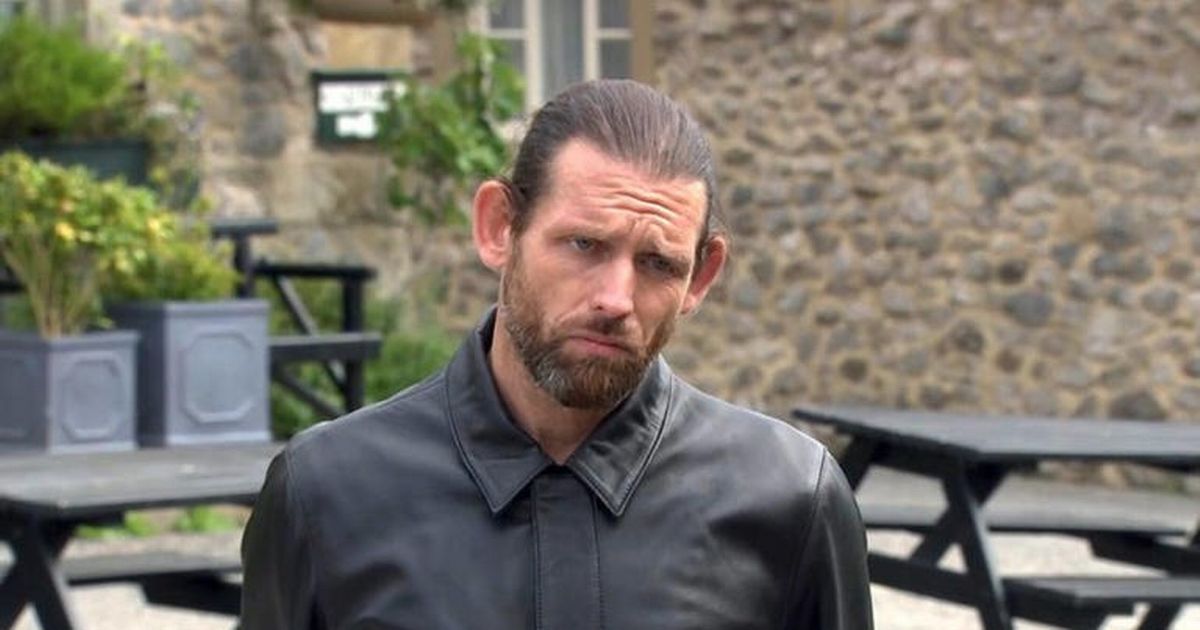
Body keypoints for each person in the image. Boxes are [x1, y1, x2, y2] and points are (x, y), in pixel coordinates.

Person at [241, 79, 873, 629]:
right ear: (498, 227)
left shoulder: (792, 498)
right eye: (583, 245)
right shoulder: (326, 492)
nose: (615, 299)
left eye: (657, 263)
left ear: (700, 278)